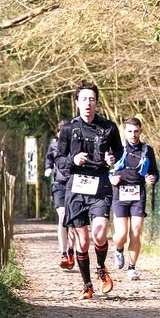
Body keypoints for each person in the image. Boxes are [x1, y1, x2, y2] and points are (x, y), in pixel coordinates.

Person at [55, 83, 123, 298]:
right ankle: (87, 285)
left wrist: (112, 158)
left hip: (100, 184)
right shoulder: (68, 129)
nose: (88, 103)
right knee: (82, 241)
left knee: (100, 233)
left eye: (92, 99)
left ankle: (101, 269)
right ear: (77, 102)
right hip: (76, 186)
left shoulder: (109, 127)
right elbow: (59, 159)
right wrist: (73, 159)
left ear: (96, 102)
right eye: (84, 99)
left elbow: (118, 152)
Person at [110, 116, 159, 280]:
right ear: (125, 131)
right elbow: (105, 170)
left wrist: (151, 178)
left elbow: (154, 173)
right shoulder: (116, 149)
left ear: (141, 131)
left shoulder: (147, 150)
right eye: (130, 131)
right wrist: (112, 178)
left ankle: (132, 267)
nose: (133, 134)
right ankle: (118, 248)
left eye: (136, 131)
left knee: (136, 232)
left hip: (138, 194)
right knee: (122, 234)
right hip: (119, 193)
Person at [44, 121, 75, 270]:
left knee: (74, 221)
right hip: (59, 185)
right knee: (63, 216)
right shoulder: (53, 146)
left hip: (75, 185)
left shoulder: (76, 146)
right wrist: (48, 168)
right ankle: (63, 253)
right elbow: (49, 159)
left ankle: (71, 251)